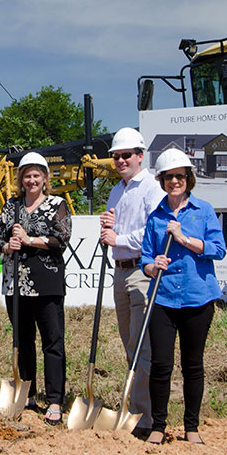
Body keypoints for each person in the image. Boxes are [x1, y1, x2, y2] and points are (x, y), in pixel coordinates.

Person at [139, 148, 225, 445]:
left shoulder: (204, 211)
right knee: (161, 364)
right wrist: (152, 266)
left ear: (189, 178)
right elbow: (146, 258)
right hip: (162, 299)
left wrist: (183, 239)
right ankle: (158, 426)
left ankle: (192, 427)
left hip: (198, 298)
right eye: (169, 177)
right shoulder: (155, 217)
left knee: (193, 365)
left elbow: (218, 248)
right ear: (161, 181)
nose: (175, 181)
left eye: (180, 176)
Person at [0, 152, 72, 424]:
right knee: (22, 341)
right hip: (15, 285)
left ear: (45, 178)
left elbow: (61, 239)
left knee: (52, 342)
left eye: (37, 175)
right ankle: (27, 393)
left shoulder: (57, 204)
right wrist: (7, 246)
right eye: (27, 175)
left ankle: (54, 400)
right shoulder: (11, 206)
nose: (32, 180)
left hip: (46, 283)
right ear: (20, 179)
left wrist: (29, 239)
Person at [99, 127, 163, 434]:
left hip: (142, 271)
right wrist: (107, 227)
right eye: (116, 156)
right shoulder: (117, 190)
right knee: (129, 343)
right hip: (120, 271)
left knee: (142, 346)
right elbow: (113, 232)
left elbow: (154, 233)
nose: (120, 160)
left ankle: (145, 417)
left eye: (126, 155)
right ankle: (136, 408)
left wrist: (118, 237)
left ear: (140, 156)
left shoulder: (152, 188)